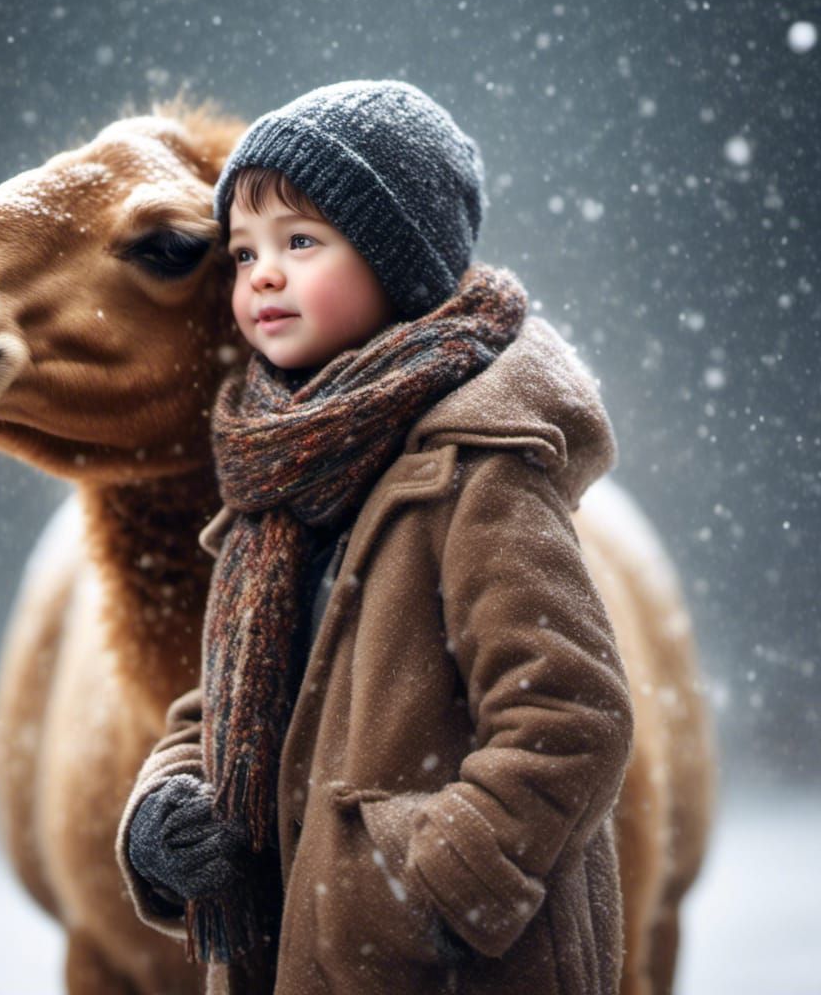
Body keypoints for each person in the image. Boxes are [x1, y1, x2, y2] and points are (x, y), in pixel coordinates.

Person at [115, 80, 634, 995]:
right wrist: (167, 808)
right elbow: (234, 699)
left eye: (300, 242)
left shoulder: (480, 473)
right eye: (242, 253)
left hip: (446, 973)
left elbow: (569, 715)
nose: (261, 274)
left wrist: (421, 886)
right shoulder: (279, 479)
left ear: (399, 260)